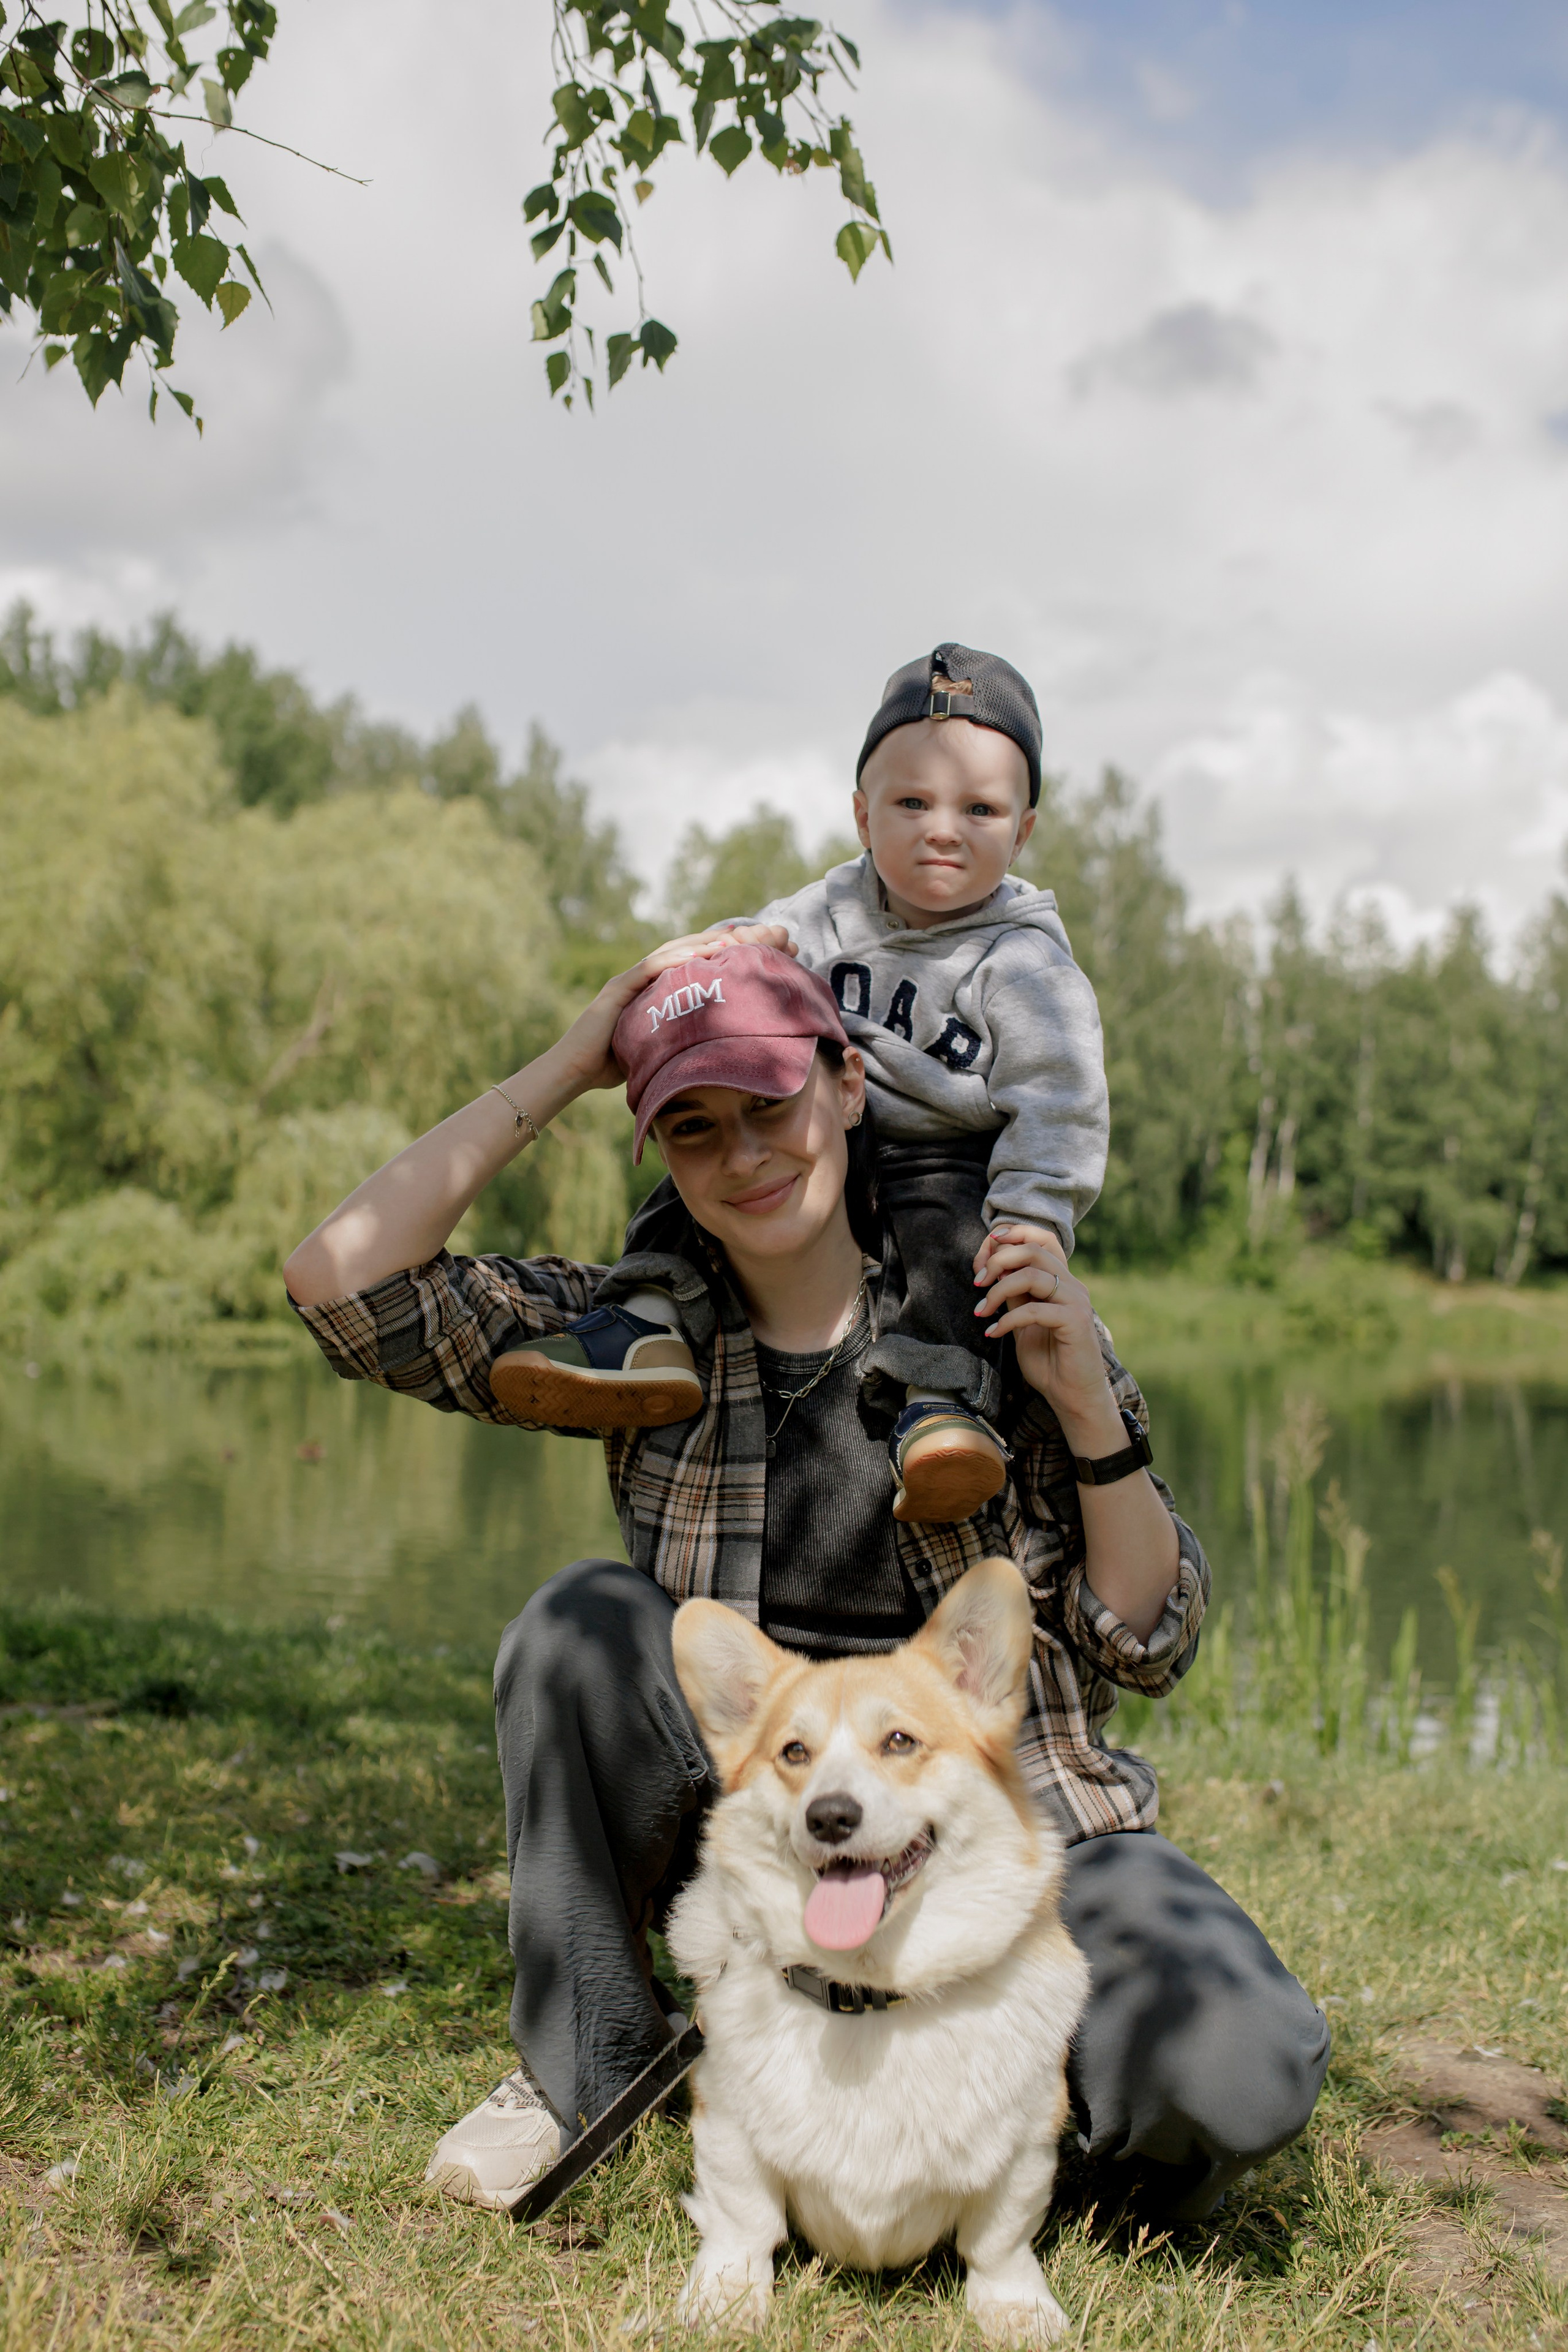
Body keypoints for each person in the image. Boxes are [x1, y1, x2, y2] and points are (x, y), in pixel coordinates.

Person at [283, 937, 1329, 2228]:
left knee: (1238, 2073)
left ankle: (999, 2138)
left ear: (845, 1085)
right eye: (694, 1128)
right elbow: (341, 1286)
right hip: (768, 1837)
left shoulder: (985, 1311)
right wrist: (567, 1063)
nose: (743, 1156)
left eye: (770, 1105)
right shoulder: (630, 1337)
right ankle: (590, 2073)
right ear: (661, 1155)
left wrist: (1087, 1414)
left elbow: (1146, 1645)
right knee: (574, 1631)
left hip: (1012, 1823)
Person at [491, 643, 1109, 1529]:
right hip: (825, 1132)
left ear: (1023, 832)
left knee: (957, 1250)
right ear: (862, 816)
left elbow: (1061, 1108)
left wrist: (1035, 1223)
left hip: (944, 1154)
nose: (943, 829)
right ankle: (648, 1321)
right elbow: (745, 953)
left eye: (980, 809)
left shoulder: (1027, 965)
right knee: (703, 1169)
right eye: (912, 803)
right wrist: (713, 961)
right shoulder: (827, 913)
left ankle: (940, 1411)